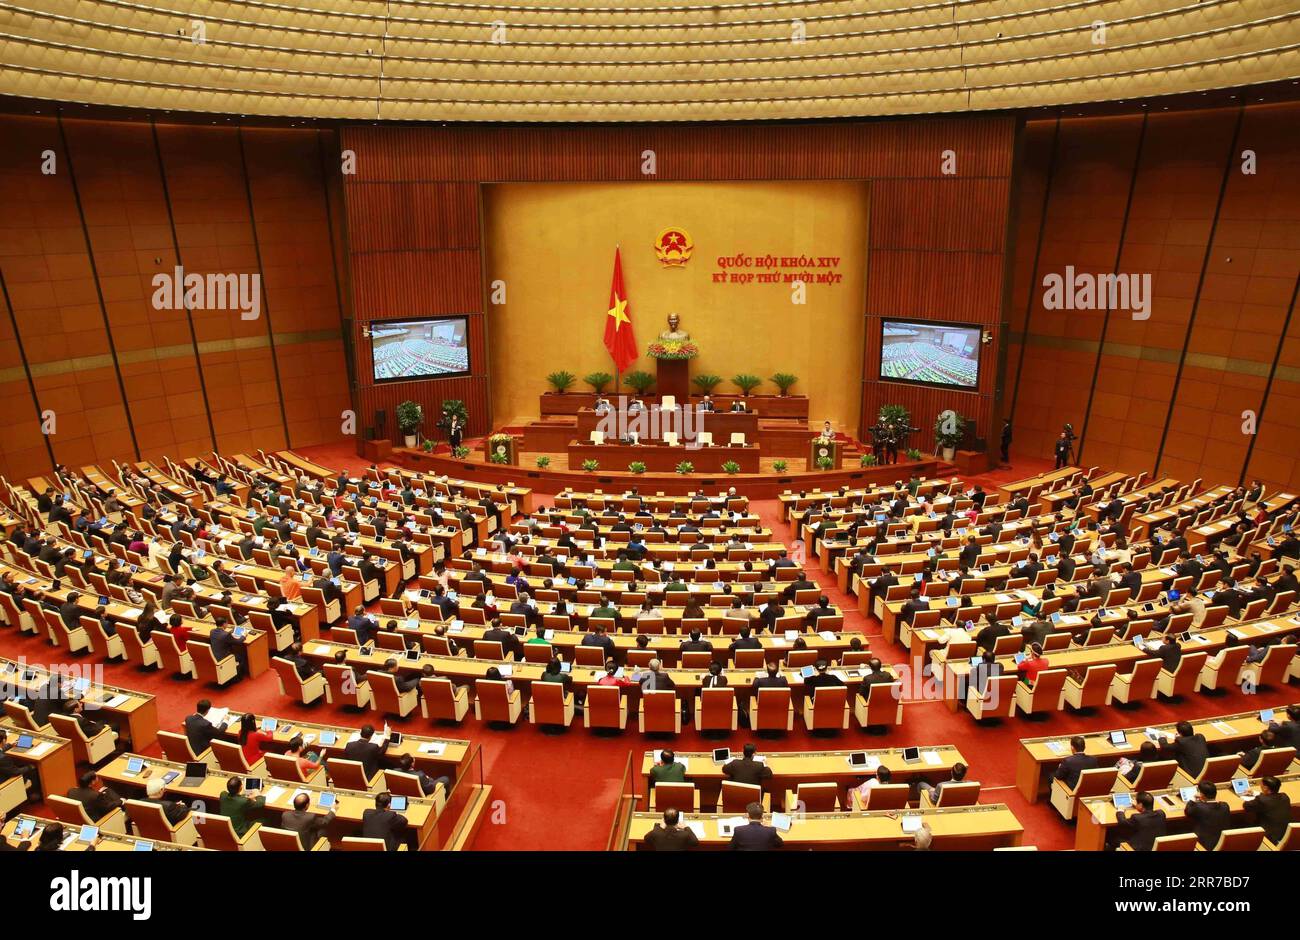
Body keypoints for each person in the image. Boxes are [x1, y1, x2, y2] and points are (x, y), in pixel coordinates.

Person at [1243, 775, 1291, 844]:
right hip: (1284, 833)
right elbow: (1270, 798)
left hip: (1268, 836)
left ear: (1265, 788)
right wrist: (1255, 793)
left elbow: (1246, 806)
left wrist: (1257, 796)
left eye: (1261, 785)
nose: (1260, 786)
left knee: (1242, 823)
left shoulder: (1261, 800)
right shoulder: (1285, 796)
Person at [1184, 781, 1232, 850]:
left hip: (1202, 845)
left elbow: (1188, 811)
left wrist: (1193, 799)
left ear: (1202, 795)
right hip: (1222, 843)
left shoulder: (1199, 807)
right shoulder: (1225, 806)